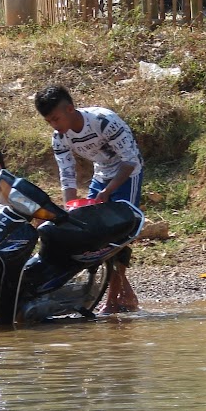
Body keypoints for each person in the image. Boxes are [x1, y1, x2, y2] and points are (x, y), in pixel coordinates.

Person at [34, 85, 142, 314]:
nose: (54, 125)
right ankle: (126, 296)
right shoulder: (59, 138)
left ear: (70, 109)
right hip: (101, 174)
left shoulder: (104, 121)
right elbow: (67, 174)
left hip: (127, 175)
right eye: (49, 122)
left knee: (118, 234)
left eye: (56, 118)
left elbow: (130, 160)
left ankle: (114, 299)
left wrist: (108, 192)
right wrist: (68, 211)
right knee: (91, 235)